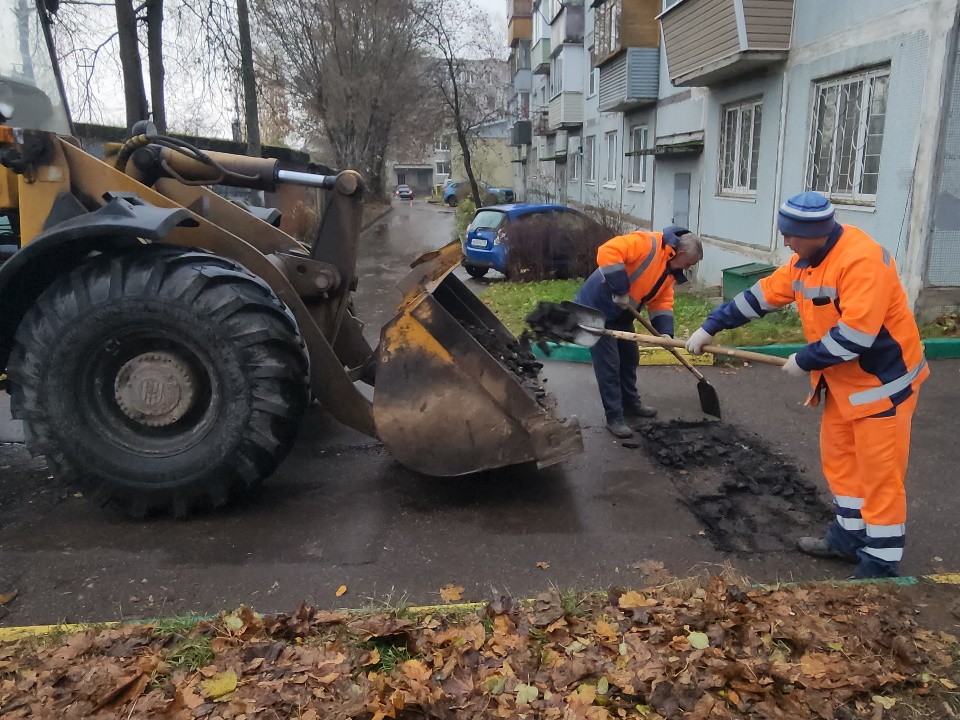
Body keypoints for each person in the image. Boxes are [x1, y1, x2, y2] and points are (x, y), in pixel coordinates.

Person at [685, 192, 928, 579]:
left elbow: (856, 337)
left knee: (879, 476)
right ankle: (848, 540)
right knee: (842, 466)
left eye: (791, 236)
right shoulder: (805, 261)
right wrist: (712, 325)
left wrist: (805, 360)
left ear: (817, 233)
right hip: (843, 385)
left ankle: (880, 566)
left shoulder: (862, 262)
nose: (785, 243)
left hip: (882, 384)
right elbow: (761, 296)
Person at [574, 226, 703, 439]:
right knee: (609, 364)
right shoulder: (648, 244)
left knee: (630, 357)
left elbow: (662, 301)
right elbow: (608, 251)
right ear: (680, 254)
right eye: (689, 263)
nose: (689, 268)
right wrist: (620, 288)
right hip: (594, 310)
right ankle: (614, 417)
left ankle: (631, 403)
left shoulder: (670, 270)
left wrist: (665, 333)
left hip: (622, 313)